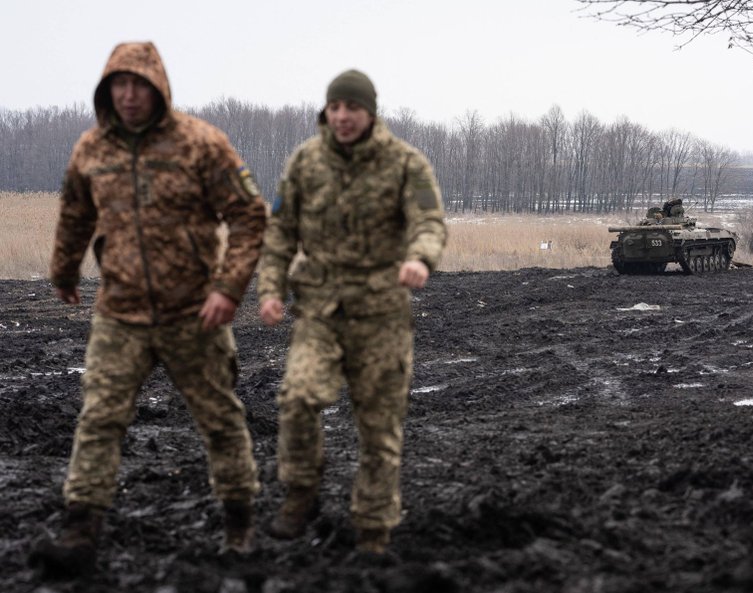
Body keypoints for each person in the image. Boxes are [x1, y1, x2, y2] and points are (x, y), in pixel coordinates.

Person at [30, 42, 266, 575]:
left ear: (159, 87)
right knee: (99, 420)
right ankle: (79, 533)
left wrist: (228, 288)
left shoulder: (202, 144)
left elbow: (250, 216)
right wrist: (64, 272)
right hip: (120, 315)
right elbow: (73, 213)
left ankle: (241, 532)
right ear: (107, 89)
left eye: (140, 85)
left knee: (223, 421)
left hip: (193, 315)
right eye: (120, 85)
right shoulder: (92, 149)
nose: (130, 95)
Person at [256, 69, 447, 555]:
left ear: (370, 112)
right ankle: (300, 495)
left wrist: (419, 258)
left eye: (352, 108)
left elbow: (428, 219)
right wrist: (270, 289)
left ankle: (373, 529)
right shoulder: (304, 162)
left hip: (381, 313)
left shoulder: (405, 163)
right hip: (319, 311)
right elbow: (279, 232)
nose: (342, 117)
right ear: (327, 111)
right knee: (297, 398)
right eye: (335, 108)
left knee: (379, 424)